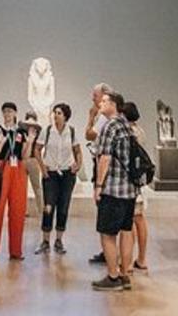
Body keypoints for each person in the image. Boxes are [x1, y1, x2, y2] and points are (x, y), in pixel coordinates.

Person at [91, 91, 139, 291]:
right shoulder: (126, 125)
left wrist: (99, 186)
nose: (100, 104)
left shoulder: (110, 125)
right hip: (129, 189)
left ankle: (112, 277)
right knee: (126, 231)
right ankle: (125, 273)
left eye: (104, 101)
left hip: (113, 188)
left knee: (107, 233)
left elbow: (105, 157)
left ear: (113, 104)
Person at [0, 101, 29, 260]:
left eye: (10, 111)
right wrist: (2, 141)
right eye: (5, 111)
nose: (8, 114)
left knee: (18, 210)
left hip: (19, 169)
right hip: (2, 168)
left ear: (16, 113)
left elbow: (25, 155)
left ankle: (16, 251)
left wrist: (29, 141)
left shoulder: (22, 131)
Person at [35, 102, 82, 255]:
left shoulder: (72, 131)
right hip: (51, 174)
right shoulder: (47, 131)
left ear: (66, 116)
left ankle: (59, 240)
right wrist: (43, 168)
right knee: (48, 207)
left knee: (63, 206)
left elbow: (78, 151)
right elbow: (37, 150)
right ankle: (45, 240)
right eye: (54, 112)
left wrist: (78, 164)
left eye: (59, 113)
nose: (56, 115)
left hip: (67, 174)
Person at [85, 82, 113, 264]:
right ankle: (109, 252)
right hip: (102, 163)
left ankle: (111, 255)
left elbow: (89, 135)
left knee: (106, 211)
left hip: (104, 165)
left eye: (96, 96)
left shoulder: (103, 118)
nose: (93, 99)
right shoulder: (106, 118)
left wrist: (90, 117)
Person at [122, 101, 150, 273]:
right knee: (139, 219)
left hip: (130, 180)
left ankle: (130, 260)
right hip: (139, 180)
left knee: (130, 221)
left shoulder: (129, 133)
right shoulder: (140, 131)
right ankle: (141, 257)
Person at [23, 110, 45, 218]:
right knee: (33, 187)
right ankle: (39, 211)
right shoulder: (24, 131)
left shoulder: (37, 132)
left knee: (33, 187)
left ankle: (38, 210)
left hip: (29, 160)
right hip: (28, 159)